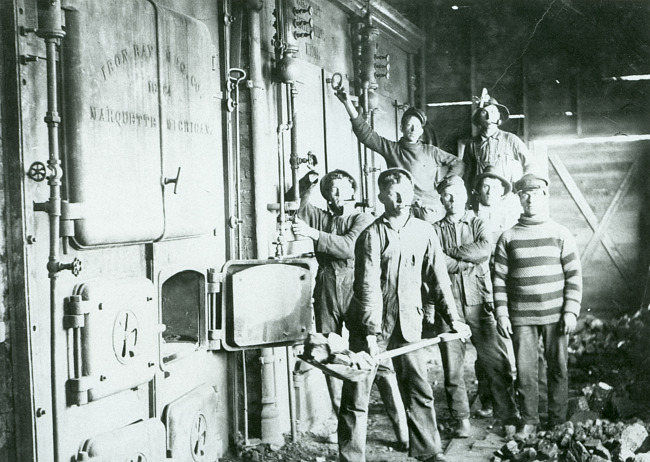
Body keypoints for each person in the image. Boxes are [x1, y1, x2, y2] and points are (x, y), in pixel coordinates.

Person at [338, 168, 469, 462]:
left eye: (405, 192)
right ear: (381, 196)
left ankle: (429, 452)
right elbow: (368, 285)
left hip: (409, 322)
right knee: (357, 394)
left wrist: (455, 319)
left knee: (419, 388)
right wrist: (371, 333)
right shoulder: (371, 234)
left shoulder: (425, 231)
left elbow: (439, 279)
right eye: (393, 192)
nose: (400, 198)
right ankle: (350, 457)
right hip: (372, 327)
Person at [290, 169, 408, 447]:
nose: (337, 193)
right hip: (328, 284)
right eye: (331, 189)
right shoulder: (322, 215)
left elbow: (349, 247)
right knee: (329, 357)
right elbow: (297, 205)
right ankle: (342, 427)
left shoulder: (362, 218)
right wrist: (306, 183)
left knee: (374, 358)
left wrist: (312, 234)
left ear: (352, 190)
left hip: (356, 286)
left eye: (342, 188)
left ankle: (403, 430)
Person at [494, 173, 582, 438]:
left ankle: (556, 421)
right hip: (521, 317)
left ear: (545, 196)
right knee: (525, 371)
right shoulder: (507, 237)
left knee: (558, 368)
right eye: (524, 194)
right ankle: (530, 420)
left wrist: (570, 311)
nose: (530, 198)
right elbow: (498, 278)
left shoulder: (560, 233)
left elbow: (574, 275)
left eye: (535, 193)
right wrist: (501, 313)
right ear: (519, 199)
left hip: (556, 316)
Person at [432, 176, 518, 438]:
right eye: (447, 195)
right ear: (442, 199)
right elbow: (435, 260)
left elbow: (483, 250)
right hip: (449, 307)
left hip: (480, 303)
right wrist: (463, 262)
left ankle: (507, 415)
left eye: (456, 194)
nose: (452, 199)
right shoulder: (434, 229)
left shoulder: (478, 222)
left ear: (465, 195)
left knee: (496, 361)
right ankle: (461, 420)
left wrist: (453, 253)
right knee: (452, 368)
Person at [336, 89, 464, 223]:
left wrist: (445, 184)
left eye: (417, 126)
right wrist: (347, 103)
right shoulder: (392, 149)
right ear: (401, 128)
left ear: (421, 130)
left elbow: (458, 163)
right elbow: (366, 134)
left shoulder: (431, 151)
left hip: (431, 213)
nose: (413, 130)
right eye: (409, 125)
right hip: (403, 212)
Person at [470, 166, 519, 420]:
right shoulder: (469, 217)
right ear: (477, 191)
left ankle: (511, 401)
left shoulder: (511, 219)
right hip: (477, 286)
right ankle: (488, 398)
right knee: (485, 347)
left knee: (507, 345)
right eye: (484, 186)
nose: (489, 191)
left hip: (504, 286)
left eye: (495, 187)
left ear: (502, 192)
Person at [463, 96, 534, 210]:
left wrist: (521, 186)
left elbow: (530, 163)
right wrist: (466, 199)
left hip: (507, 202)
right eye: (484, 112)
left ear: (499, 117)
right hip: (481, 202)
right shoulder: (472, 144)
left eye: (493, 112)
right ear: (478, 118)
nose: (489, 116)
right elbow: (467, 174)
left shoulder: (510, 139)